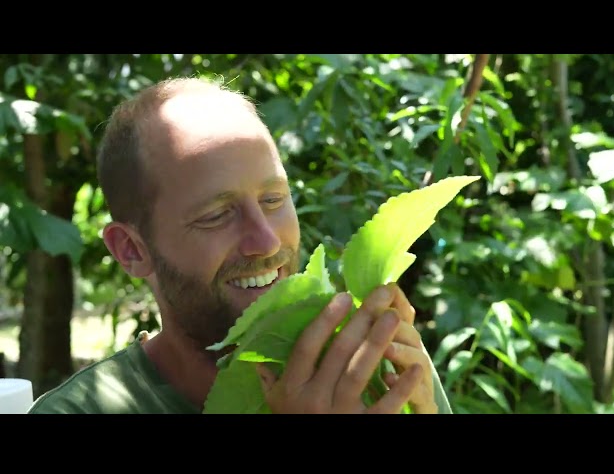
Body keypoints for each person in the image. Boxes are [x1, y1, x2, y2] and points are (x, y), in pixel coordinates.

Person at [28, 76, 453, 414]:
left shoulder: (373, 365)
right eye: (215, 216)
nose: (265, 241)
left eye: (273, 200)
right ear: (131, 250)